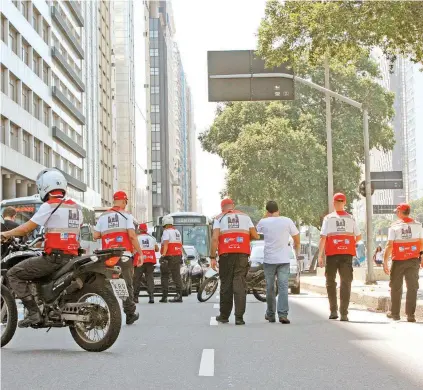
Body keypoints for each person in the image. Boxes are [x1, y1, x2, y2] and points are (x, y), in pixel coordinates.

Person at [1, 168, 83, 328]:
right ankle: (48, 306)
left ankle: (34, 314)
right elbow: (66, 231)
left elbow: (26, 229)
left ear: (44, 187)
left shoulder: (49, 206)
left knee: (14, 274)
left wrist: (5, 234)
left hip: (54, 259)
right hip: (72, 257)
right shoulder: (76, 207)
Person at [94, 191, 143, 325]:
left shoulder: (103, 216)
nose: (126, 205)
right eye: (126, 202)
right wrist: (140, 252)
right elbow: (132, 236)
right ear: (123, 201)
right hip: (124, 256)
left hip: (107, 256)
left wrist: (108, 235)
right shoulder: (127, 216)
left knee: (107, 285)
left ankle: (108, 312)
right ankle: (130, 313)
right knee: (127, 284)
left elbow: (95, 235)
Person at [210, 198, 259, 325]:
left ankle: (224, 316)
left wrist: (212, 257)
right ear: (233, 205)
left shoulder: (219, 218)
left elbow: (215, 238)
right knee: (239, 284)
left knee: (226, 284)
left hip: (226, 255)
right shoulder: (245, 217)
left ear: (222, 208)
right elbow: (255, 235)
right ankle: (239, 318)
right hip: (242, 254)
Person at [318, 193, 361, 322]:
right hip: (347, 255)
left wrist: (320, 256)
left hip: (331, 255)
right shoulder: (351, 218)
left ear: (333, 203)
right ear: (344, 203)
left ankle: (333, 311)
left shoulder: (328, 218)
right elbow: (358, 236)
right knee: (346, 283)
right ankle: (344, 313)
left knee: (330, 282)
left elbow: (323, 237)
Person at [256, 201, 300, 324]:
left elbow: (255, 231)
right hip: (284, 260)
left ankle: (270, 314)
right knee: (283, 287)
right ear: (278, 210)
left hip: (269, 260)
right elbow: (296, 237)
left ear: (267, 211)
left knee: (270, 288)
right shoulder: (287, 221)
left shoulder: (264, 222)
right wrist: (297, 246)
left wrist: (265, 216)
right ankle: (283, 314)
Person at [383, 203, 423, 322]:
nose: (396, 214)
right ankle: (410, 315)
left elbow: (389, 245)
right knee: (412, 287)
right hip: (413, 260)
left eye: (397, 212)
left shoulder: (394, 227)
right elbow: (421, 244)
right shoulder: (418, 225)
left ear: (400, 212)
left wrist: (385, 262)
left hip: (398, 261)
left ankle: (395, 313)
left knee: (396, 286)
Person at [159, 215, 184, 303]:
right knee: (177, 276)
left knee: (165, 276)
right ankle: (179, 295)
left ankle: (164, 296)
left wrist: (163, 255)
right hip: (177, 256)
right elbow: (180, 245)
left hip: (168, 256)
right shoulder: (177, 232)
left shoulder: (166, 231)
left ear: (164, 224)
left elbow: (166, 244)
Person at [133, 223, 159, 304]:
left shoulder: (136, 238)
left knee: (137, 279)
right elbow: (157, 249)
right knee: (150, 278)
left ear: (139, 230)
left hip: (139, 260)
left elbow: (133, 250)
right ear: (146, 230)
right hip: (150, 260)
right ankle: (151, 297)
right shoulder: (152, 238)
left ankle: (136, 297)